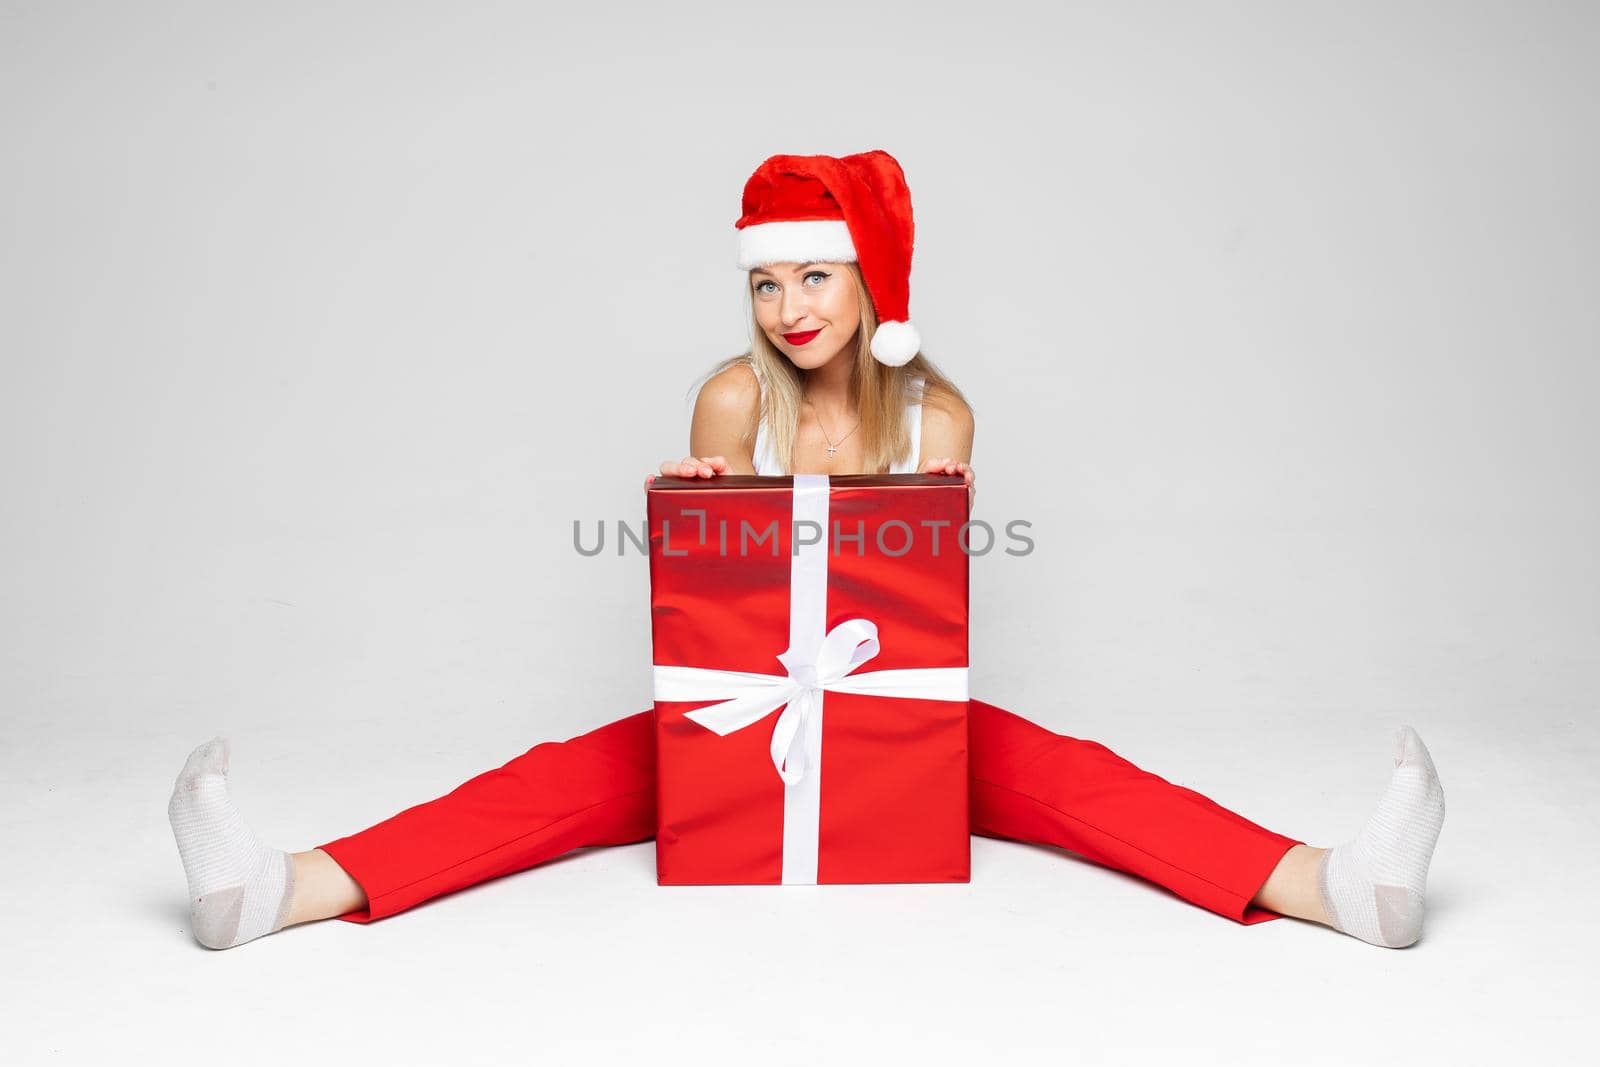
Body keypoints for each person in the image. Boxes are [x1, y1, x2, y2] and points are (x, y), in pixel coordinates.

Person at [167, 150, 1446, 952]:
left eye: (819, 280)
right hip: (740, 714)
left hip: (895, 721)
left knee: (1070, 775)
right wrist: (687, 493)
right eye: (768, 284)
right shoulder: (734, 395)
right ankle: (280, 887)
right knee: (556, 782)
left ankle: (1333, 884)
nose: (790, 312)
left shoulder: (935, 414)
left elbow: (915, 606)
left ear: (874, 287)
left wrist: (938, 511)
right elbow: (707, 600)